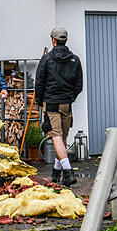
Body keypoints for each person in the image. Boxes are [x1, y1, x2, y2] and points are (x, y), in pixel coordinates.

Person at [35, 27, 83, 186]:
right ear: (65, 40)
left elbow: (39, 82)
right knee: (62, 139)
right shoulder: (75, 59)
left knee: (55, 136)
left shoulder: (47, 59)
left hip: (51, 103)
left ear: (53, 40)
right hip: (66, 104)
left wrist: (39, 101)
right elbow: (79, 85)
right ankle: (56, 173)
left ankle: (68, 173)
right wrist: (70, 98)